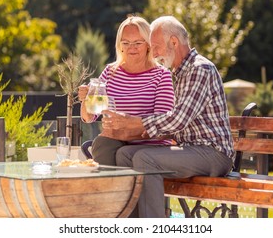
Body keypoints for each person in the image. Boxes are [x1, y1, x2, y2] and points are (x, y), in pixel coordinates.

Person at [100, 15, 234, 218]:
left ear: (174, 41)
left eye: (156, 46)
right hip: (189, 150)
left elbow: (178, 119)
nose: (153, 53)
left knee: (146, 159)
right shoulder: (179, 72)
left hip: (213, 153)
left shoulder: (200, 69)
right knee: (124, 154)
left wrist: (137, 123)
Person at [78, 15, 175, 165]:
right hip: (115, 141)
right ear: (120, 45)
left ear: (148, 44)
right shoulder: (111, 72)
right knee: (102, 143)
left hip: (148, 145)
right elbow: (89, 117)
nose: (132, 47)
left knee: (120, 152)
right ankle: (113, 187)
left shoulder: (161, 75)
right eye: (126, 42)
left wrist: (127, 130)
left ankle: (119, 187)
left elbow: (162, 125)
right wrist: (86, 99)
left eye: (138, 42)